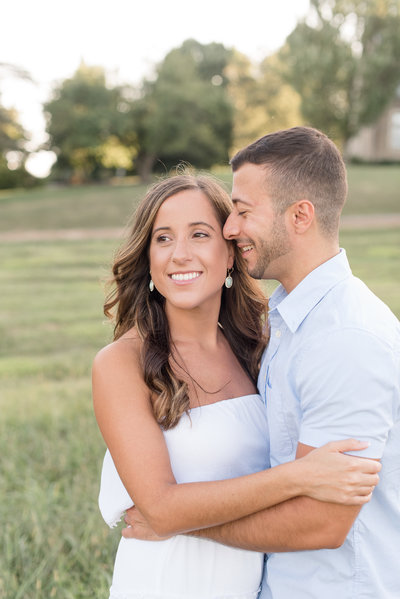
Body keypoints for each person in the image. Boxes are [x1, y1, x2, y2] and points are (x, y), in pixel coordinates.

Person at [124, 128, 400, 598]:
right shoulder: (280, 322)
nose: (232, 228)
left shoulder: (345, 338)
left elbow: (321, 524)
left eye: (243, 211)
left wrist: (177, 525)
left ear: (300, 216)